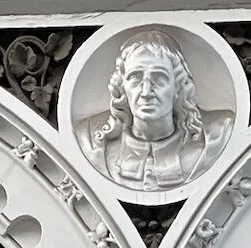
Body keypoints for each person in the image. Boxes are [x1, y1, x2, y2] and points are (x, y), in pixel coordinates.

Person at [78, 29, 235, 189]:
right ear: (122, 87)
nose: (146, 92)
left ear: (178, 88)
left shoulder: (216, 137)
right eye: (135, 78)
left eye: (159, 78)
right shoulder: (92, 143)